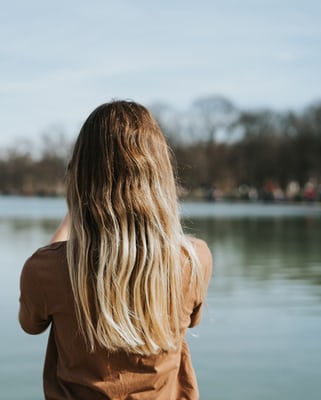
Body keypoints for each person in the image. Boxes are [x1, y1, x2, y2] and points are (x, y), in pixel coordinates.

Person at [19, 100, 212, 400]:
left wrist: (74, 214)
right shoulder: (194, 260)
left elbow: (30, 325)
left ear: (80, 178)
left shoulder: (45, 270)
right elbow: (192, 320)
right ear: (160, 178)